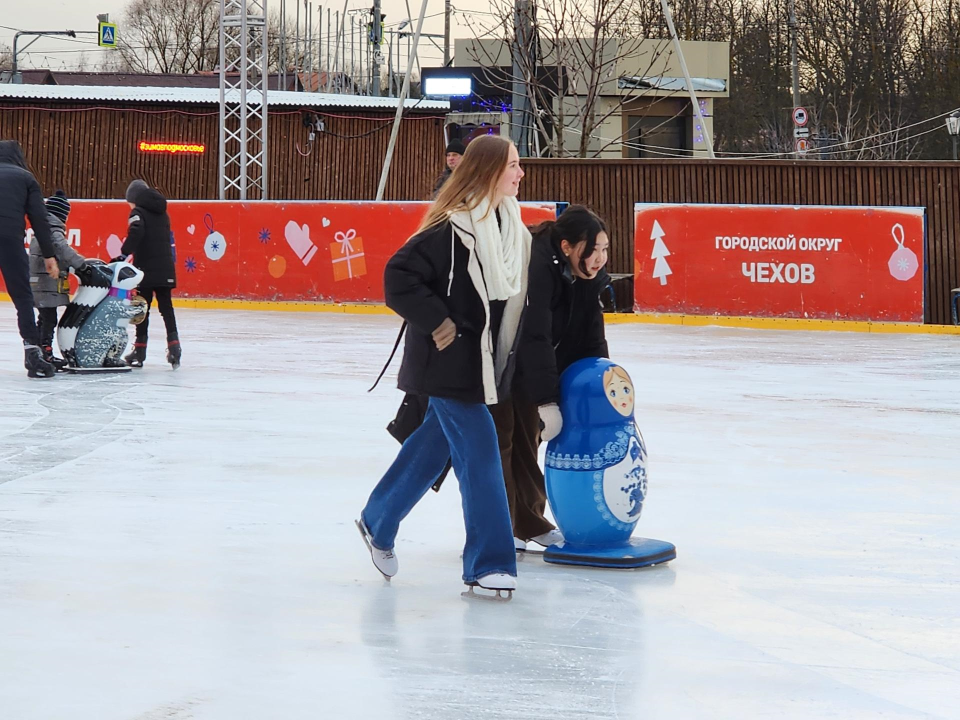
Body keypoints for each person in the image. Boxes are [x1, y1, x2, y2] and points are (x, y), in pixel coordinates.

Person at [357, 134, 530, 597]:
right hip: (448, 365)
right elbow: (398, 277)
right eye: (513, 165)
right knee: (481, 454)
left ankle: (378, 518)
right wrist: (438, 321)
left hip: (481, 367)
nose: (520, 173)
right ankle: (488, 562)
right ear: (489, 171)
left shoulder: (508, 229)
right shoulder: (450, 232)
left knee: (432, 449)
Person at [495, 205, 612, 552]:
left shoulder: (586, 276)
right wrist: (546, 399)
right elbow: (535, 335)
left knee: (527, 440)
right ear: (567, 247)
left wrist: (598, 381)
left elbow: (591, 334)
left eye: (606, 249)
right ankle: (502, 529)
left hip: (532, 362)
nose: (600, 258)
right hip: (502, 361)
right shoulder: (539, 265)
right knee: (506, 444)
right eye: (595, 249)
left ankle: (527, 522)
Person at [0, 139, 60, 379]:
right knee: (23, 297)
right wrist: (49, 255)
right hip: (10, 240)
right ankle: (32, 353)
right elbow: (40, 220)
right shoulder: (26, 178)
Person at [118, 179, 181, 369]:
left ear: (134, 198)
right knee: (166, 309)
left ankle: (140, 349)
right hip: (165, 268)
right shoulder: (163, 213)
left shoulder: (137, 212)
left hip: (145, 269)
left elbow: (136, 232)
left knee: (142, 308)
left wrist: (123, 253)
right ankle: (175, 347)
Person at [29, 190, 88, 369]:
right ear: (62, 216)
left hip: (40, 284)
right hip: (46, 284)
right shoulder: (53, 231)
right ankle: (46, 352)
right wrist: (82, 265)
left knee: (44, 318)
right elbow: (63, 250)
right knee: (49, 319)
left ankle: (40, 350)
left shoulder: (43, 228)